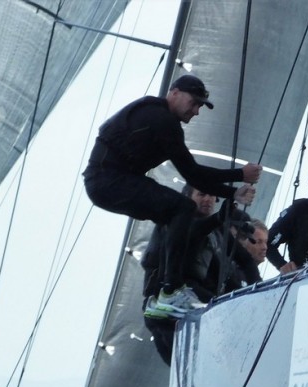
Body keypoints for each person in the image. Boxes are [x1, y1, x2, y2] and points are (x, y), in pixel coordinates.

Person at [83, 73, 262, 319]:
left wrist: (233, 192)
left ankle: (161, 293)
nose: (196, 111)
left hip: (110, 182)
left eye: (200, 106)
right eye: (194, 103)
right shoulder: (161, 120)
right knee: (182, 207)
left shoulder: (161, 120)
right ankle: (170, 291)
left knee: (174, 214)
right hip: (107, 181)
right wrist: (240, 175)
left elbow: (195, 176)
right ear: (174, 93)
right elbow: (193, 173)